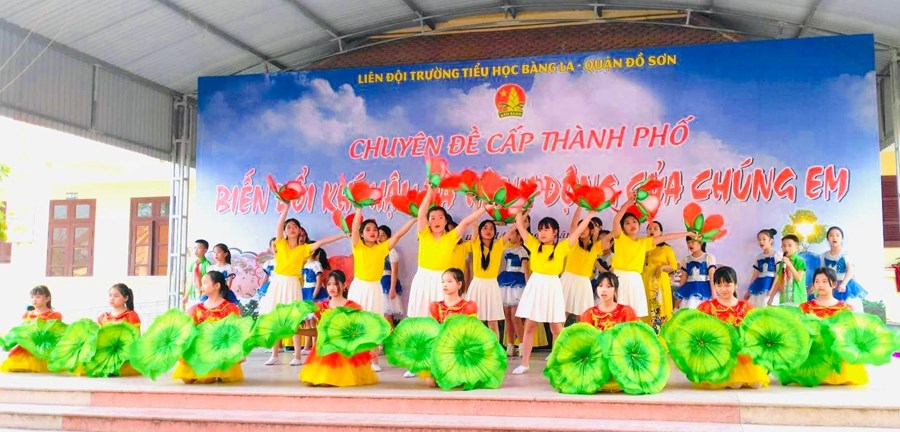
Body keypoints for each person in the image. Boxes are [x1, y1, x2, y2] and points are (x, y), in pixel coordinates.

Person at [510, 209, 595, 375]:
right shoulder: (534, 244)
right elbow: (520, 226)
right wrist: (520, 212)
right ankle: (525, 363)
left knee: (556, 328)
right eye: (540, 230)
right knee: (530, 326)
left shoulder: (562, 247)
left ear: (555, 232)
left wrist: (590, 215)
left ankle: (560, 360)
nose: (542, 233)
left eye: (546, 229)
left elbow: (578, 231)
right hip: (536, 285)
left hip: (553, 286)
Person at [259, 205, 344, 366]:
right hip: (277, 284)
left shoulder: (305, 249)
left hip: (292, 284)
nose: (292, 229)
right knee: (275, 318)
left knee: (294, 321)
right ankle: (275, 354)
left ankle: (297, 356)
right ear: (285, 231)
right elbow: (279, 224)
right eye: (289, 227)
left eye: (295, 226)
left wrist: (343, 235)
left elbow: (322, 241)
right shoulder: (280, 243)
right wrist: (286, 207)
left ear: (299, 230)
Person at [347, 208, 415, 371]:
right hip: (359, 288)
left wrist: (413, 219)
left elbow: (398, 235)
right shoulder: (357, 246)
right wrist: (358, 209)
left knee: (374, 323)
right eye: (368, 229)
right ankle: (355, 358)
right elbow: (355, 228)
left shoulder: (383, 248)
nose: (372, 232)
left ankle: (374, 360)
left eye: (375, 229)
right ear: (361, 234)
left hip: (375, 289)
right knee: (356, 322)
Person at [610, 197, 698, 318]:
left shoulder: (643, 242)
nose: (631, 224)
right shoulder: (620, 237)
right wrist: (629, 202)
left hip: (636, 279)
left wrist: (688, 233)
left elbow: (667, 237)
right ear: (623, 227)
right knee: (619, 312)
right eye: (627, 223)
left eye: (634, 221)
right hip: (620, 277)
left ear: (639, 225)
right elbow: (616, 219)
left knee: (635, 314)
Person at [406, 185, 484, 318]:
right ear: (428, 222)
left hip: (442, 280)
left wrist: (484, 208)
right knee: (420, 314)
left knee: (441, 315)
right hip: (423, 278)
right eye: (432, 218)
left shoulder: (451, 237)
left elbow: (466, 222)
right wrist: (430, 192)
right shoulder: (424, 234)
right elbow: (421, 214)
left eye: (440, 217)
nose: (437, 221)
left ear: (446, 221)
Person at [298, 270, 378, 387]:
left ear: (344, 285)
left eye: (336, 284)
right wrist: (299, 331)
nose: (332, 287)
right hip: (324, 350)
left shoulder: (352, 307)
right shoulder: (322, 307)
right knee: (310, 382)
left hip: (343, 351)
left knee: (326, 383)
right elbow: (319, 332)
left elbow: (358, 333)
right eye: (329, 284)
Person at [697, 266, 769, 389]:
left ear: (736, 285)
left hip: (741, 350)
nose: (723, 289)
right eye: (719, 285)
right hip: (720, 350)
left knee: (757, 383)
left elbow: (755, 328)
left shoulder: (745, 306)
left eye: (727, 285)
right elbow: (699, 327)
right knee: (735, 384)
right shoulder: (709, 306)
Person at [799, 268, 867, 385]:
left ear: (834, 284)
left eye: (825, 281)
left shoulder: (845, 308)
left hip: (836, 346)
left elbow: (850, 332)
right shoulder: (805, 307)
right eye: (817, 281)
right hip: (814, 348)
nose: (820, 285)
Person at [173, 271, 243, 384]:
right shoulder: (196, 308)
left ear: (217, 285)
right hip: (200, 349)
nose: (202, 286)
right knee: (186, 379)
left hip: (218, 348)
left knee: (205, 379)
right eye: (202, 283)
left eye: (205, 283)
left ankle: (218, 371)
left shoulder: (229, 308)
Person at [466, 219, 513, 340]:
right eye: (485, 228)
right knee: (474, 320)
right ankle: (474, 346)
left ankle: (494, 348)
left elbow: (513, 228)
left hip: (492, 285)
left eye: (492, 228)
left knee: (493, 321)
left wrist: (524, 212)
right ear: (480, 231)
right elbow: (474, 223)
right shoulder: (475, 242)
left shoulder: (499, 244)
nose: (488, 230)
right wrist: (478, 208)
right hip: (477, 285)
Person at [1, 286, 62, 373]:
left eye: (38, 297)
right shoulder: (28, 314)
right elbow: (23, 328)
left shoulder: (54, 315)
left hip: (42, 345)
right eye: (32, 297)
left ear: (47, 298)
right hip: (28, 344)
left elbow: (54, 331)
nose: (34, 300)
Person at [560, 208, 605, 319]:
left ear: (591, 231)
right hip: (568, 279)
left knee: (583, 315)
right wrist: (579, 206)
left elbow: (610, 236)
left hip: (583, 282)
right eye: (580, 227)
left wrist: (597, 229)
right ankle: (559, 331)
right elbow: (573, 225)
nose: (582, 230)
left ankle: (580, 332)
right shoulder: (574, 243)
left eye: (585, 227)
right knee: (562, 313)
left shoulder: (595, 247)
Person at [96, 283, 142, 376]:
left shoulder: (131, 315)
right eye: (110, 295)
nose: (112, 298)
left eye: (116, 296)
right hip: (107, 352)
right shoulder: (103, 317)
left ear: (126, 298)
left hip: (124, 352)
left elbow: (136, 337)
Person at [497, 226, 529, 357]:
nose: (509, 236)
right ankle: (510, 345)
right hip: (506, 282)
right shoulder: (507, 250)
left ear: (519, 236)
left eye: (512, 234)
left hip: (518, 284)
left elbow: (526, 271)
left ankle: (522, 345)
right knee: (508, 316)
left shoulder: (522, 251)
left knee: (516, 316)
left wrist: (528, 287)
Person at [641, 221, 678, 329]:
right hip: (645, 281)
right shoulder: (642, 247)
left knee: (660, 307)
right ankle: (647, 332)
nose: (652, 230)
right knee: (645, 308)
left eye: (655, 228)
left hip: (659, 282)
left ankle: (661, 332)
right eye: (649, 228)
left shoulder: (666, 249)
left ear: (661, 233)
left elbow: (674, 266)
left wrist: (662, 267)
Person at [820, 226, 866, 312]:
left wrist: (843, 284)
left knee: (848, 310)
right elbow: (821, 273)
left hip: (846, 286)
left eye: (837, 235)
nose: (834, 238)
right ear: (827, 239)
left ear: (842, 238)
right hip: (831, 287)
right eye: (831, 235)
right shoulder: (824, 255)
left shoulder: (846, 254)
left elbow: (850, 270)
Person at [675, 236, 716, 310]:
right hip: (689, 291)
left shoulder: (708, 257)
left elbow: (712, 277)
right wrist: (679, 298)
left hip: (705, 291)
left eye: (692, 242)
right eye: (688, 242)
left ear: (701, 242)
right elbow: (683, 278)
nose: (690, 244)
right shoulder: (685, 259)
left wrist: (714, 297)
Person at [767, 235, 806, 306]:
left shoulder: (800, 261)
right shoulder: (782, 263)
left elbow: (798, 278)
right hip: (784, 298)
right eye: (784, 246)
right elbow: (779, 281)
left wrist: (789, 264)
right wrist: (771, 298)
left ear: (797, 248)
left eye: (789, 245)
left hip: (797, 298)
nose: (786, 248)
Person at [744, 229, 780, 308]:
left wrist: (772, 290)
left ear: (771, 240)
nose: (761, 242)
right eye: (759, 239)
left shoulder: (776, 255)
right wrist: (749, 290)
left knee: (767, 307)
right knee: (756, 307)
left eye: (764, 239)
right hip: (758, 285)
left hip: (770, 285)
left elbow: (778, 274)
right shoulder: (758, 257)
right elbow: (755, 275)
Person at [378, 225, 405, 324]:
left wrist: (392, 289)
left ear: (388, 237)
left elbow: (394, 271)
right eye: (378, 235)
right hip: (376, 284)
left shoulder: (391, 251)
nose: (379, 238)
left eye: (383, 235)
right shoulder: (375, 250)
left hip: (386, 284)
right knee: (379, 315)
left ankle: (391, 333)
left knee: (387, 315)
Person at [182, 239, 210, 308]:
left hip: (202, 296)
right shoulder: (192, 264)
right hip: (192, 295)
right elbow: (190, 281)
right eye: (195, 248)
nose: (196, 250)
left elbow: (208, 282)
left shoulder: (207, 265)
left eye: (199, 248)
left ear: (205, 250)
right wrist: (186, 295)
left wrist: (203, 294)